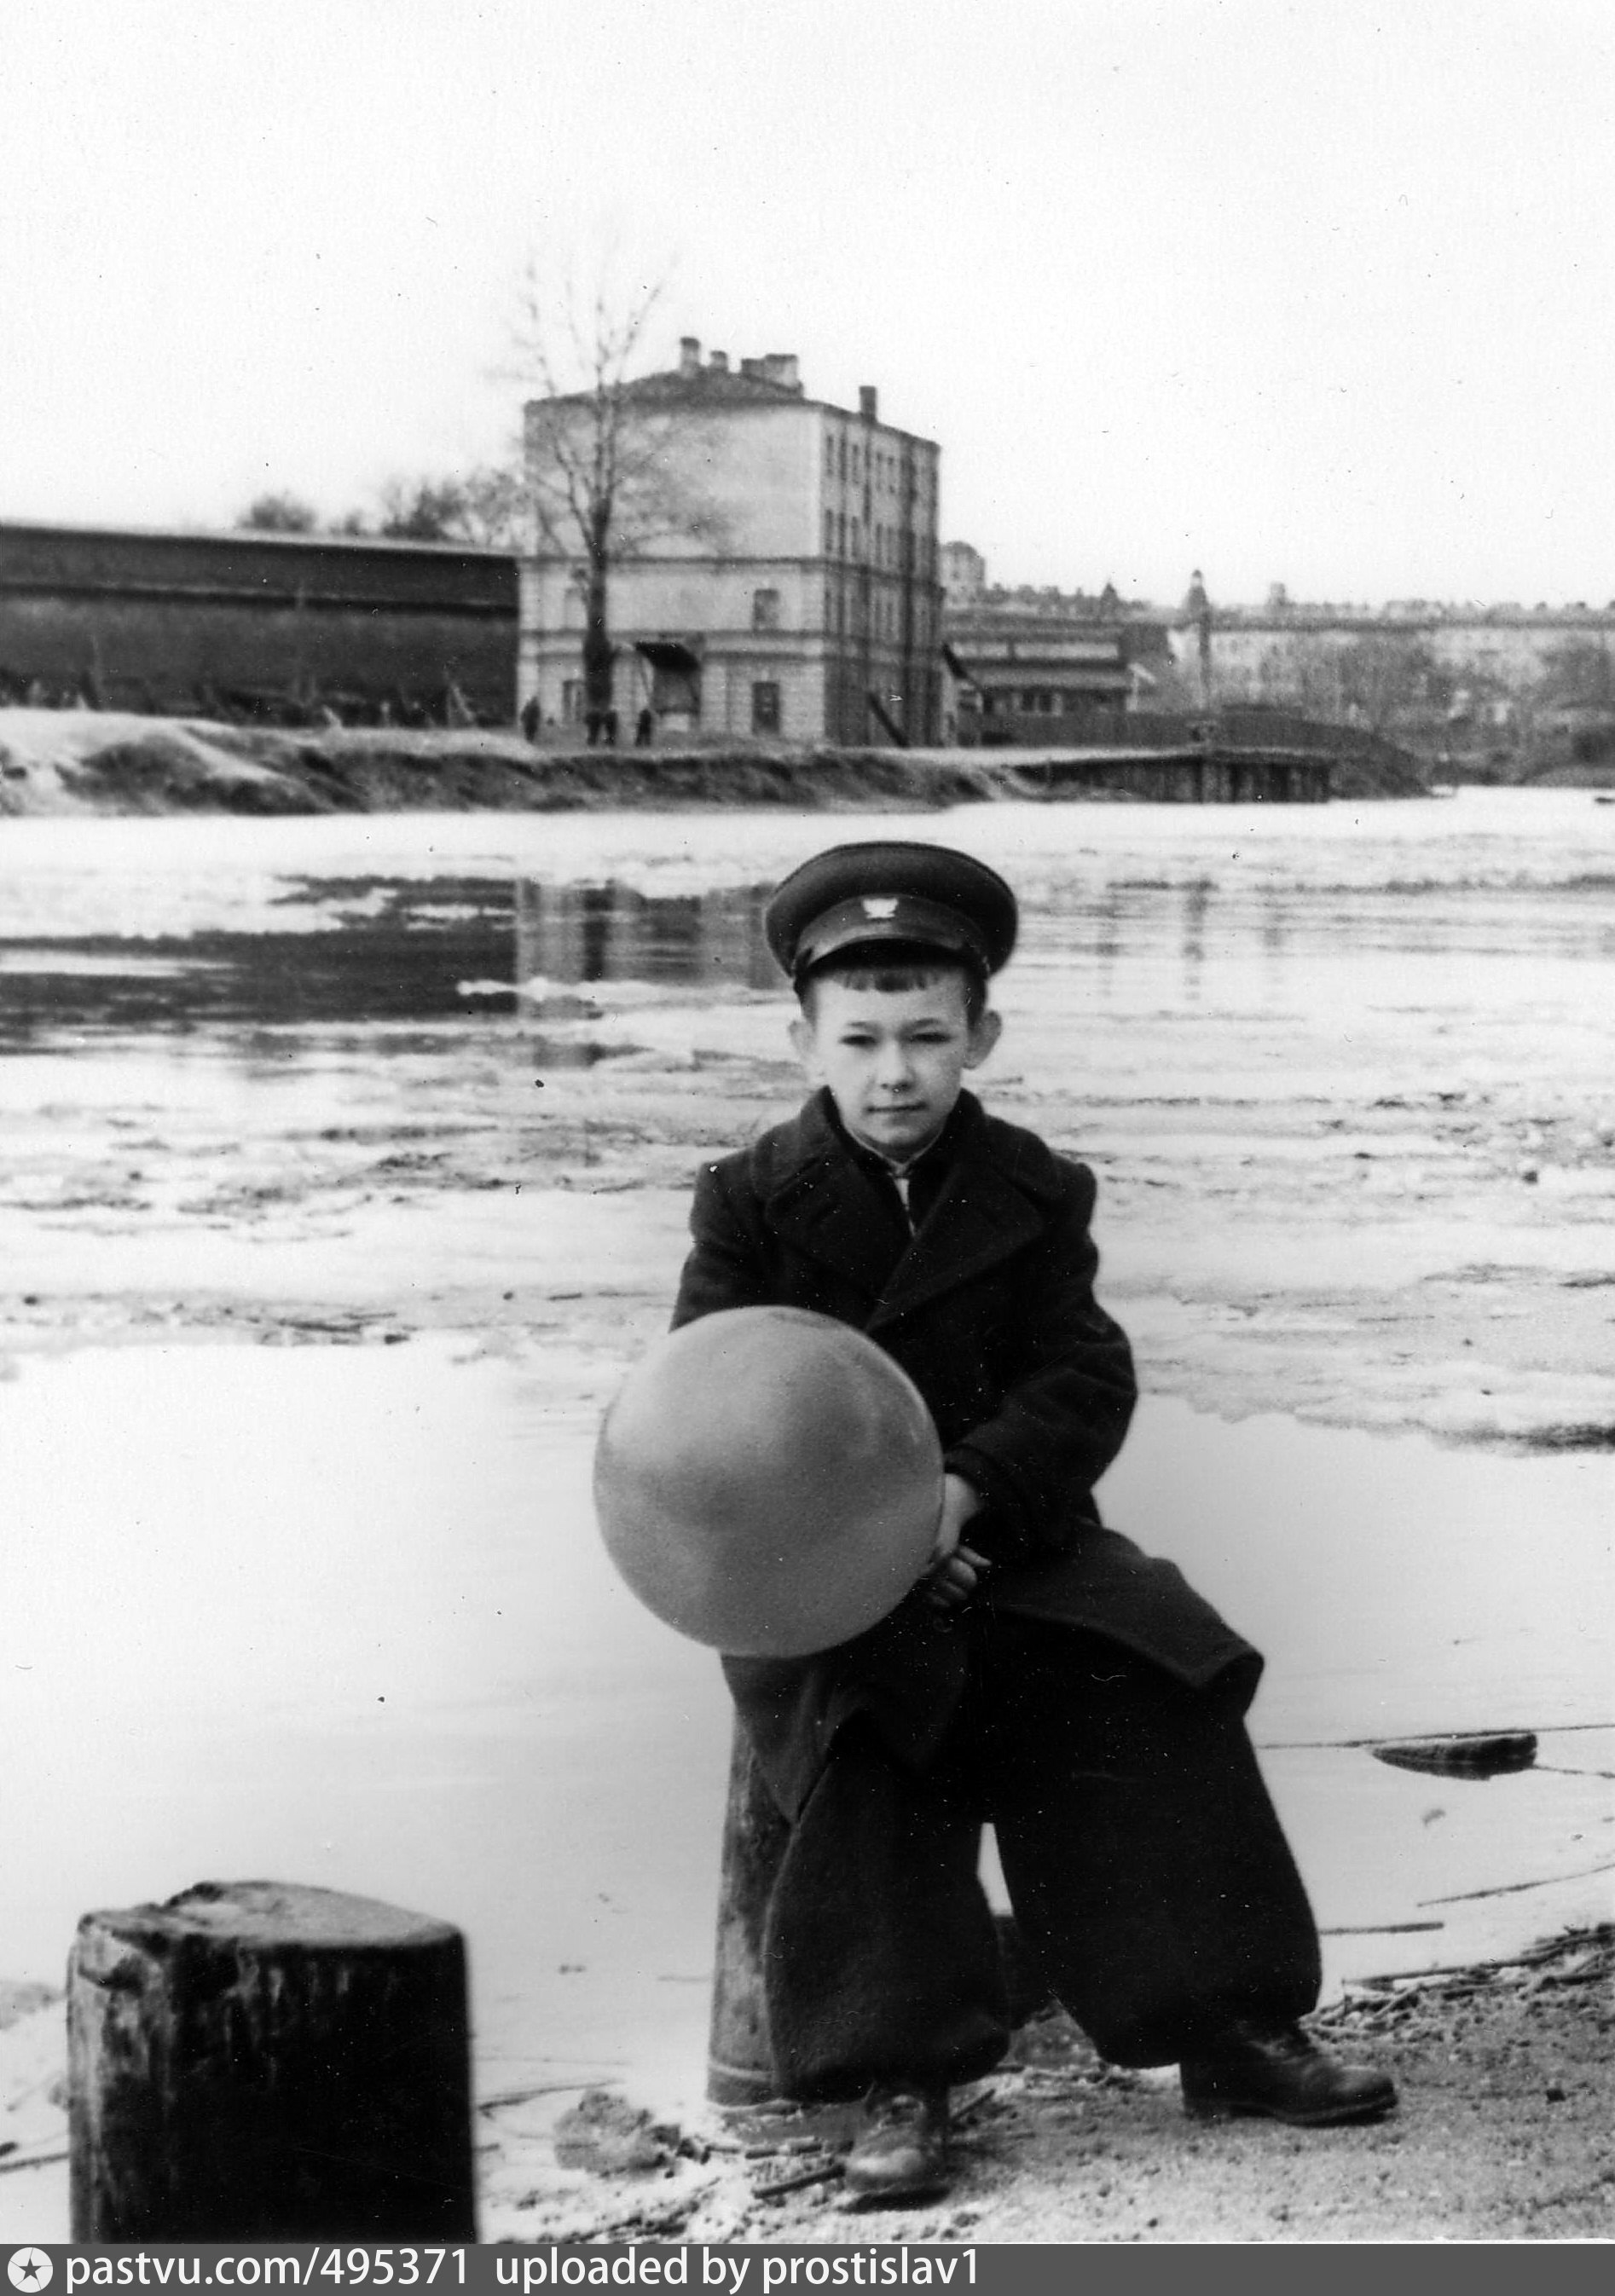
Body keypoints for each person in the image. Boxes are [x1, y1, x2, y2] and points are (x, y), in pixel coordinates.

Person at [670, 841, 1396, 2204]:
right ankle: (893, 2077)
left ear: (980, 1038)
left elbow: (1082, 1374)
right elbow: (710, 1403)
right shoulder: (749, 1199)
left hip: (1013, 1533)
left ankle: (1228, 2026)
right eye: (861, 1040)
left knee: (1152, 1663)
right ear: (804, 1042)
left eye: (927, 1038)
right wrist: (877, 1531)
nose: (895, 1073)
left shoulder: (1035, 1185)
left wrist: (966, 1491)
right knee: (874, 1721)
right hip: (824, 1573)